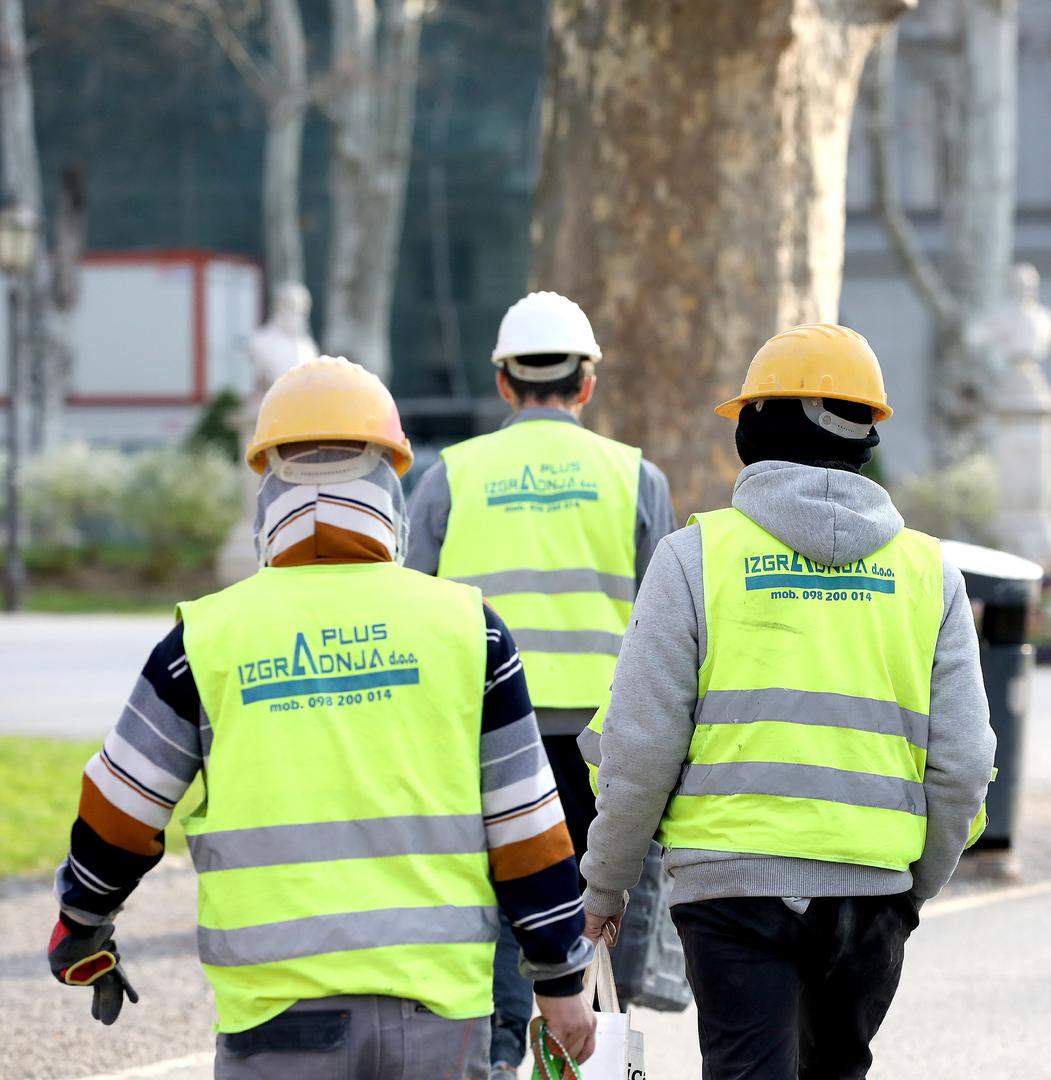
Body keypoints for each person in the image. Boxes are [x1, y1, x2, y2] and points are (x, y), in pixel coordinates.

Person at [46, 357, 597, 1078]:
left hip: (275, 1021)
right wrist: (558, 981)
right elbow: (525, 825)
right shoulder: (468, 630)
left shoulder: (204, 642)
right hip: (437, 1016)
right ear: (390, 482)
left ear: (268, 485)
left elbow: (120, 808)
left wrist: (81, 924)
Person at [578, 323, 997, 1079]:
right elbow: (964, 765)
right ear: (864, 432)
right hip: (870, 896)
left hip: (734, 897)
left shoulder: (695, 559)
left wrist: (605, 885)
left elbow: (639, 749)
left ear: (760, 425)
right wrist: (906, 891)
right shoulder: (929, 574)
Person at [406, 291, 676, 1075]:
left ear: (503, 382)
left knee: (496, 914)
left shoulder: (448, 477)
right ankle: (583, 1056)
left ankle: (496, 1056)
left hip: (483, 744)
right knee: (592, 917)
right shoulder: (635, 478)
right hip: (600, 748)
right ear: (585, 383)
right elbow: (666, 630)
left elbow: (413, 611)